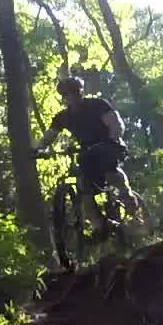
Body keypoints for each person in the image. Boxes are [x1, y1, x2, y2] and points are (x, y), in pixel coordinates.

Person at [35, 77, 133, 256]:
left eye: (73, 93)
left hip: (110, 145)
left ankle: (127, 194)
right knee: (83, 185)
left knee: (109, 170)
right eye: (65, 95)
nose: (70, 97)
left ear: (81, 92)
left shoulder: (98, 105)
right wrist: (36, 149)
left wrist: (113, 137)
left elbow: (116, 124)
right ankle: (99, 226)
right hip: (87, 154)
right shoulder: (63, 117)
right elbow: (48, 137)